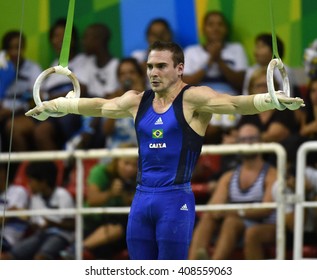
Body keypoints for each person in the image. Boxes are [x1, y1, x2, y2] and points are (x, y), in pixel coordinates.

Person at [25, 41, 304, 260]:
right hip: (141, 201)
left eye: (161, 66)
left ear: (180, 68)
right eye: (149, 67)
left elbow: (232, 104)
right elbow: (98, 106)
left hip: (175, 202)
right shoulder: (136, 101)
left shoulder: (193, 99)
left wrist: (270, 100)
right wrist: (55, 106)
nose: (153, 73)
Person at [188, 123, 277, 260]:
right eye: (243, 140)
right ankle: (193, 267)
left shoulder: (271, 174)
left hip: (262, 225)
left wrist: (232, 211)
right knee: (208, 218)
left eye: (251, 139)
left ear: (260, 141)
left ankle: (213, 269)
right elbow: (215, 208)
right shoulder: (229, 177)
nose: (247, 144)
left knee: (231, 221)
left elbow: (265, 210)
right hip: (236, 224)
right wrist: (221, 211)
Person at [61, 145, 137, 259]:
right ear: (116, 161)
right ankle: (77, 248)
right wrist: (111, 193)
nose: (130, 169)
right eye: (126, 163)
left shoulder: (139, 177)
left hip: (122, 231)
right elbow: (92, 200)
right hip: (93, 223)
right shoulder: (100, 171)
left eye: (135, 165)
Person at [2, 161, 75, 260]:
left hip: (61, 236)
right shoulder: (36, 198)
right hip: (41, 235)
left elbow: (72, 224)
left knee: (40, 258)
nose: (29, 185)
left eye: (31, 181)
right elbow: (36, 223)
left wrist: (52, 224)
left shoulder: (62, 195)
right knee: (7, 257)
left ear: (43, 182)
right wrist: (29, 221)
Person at [183, 10, 248, 95]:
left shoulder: (237, 49)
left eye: (220, 24)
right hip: (199, 101)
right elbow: (185, 85)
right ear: (204, 29)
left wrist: (219, 61)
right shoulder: (191, 51)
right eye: (211, 24)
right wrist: (209, 62)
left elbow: (241, 84)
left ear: (226, 29)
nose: (216, 28)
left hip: (230, 100)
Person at [0, 31, 42, 152]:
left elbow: (35, 100)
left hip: (24, 112)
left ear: (23, 48)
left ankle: (22, 167)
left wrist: (11, 110)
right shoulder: (2, 68)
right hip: (3, 113)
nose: (14, 52)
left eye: (18, 47)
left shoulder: (33, 69)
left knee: (12, 126)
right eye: (10, 48)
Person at [0, 163, 29, 255]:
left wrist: (7, 215)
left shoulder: (18, 191)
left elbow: (7, 216)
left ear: (3, 173)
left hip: (8, 239)